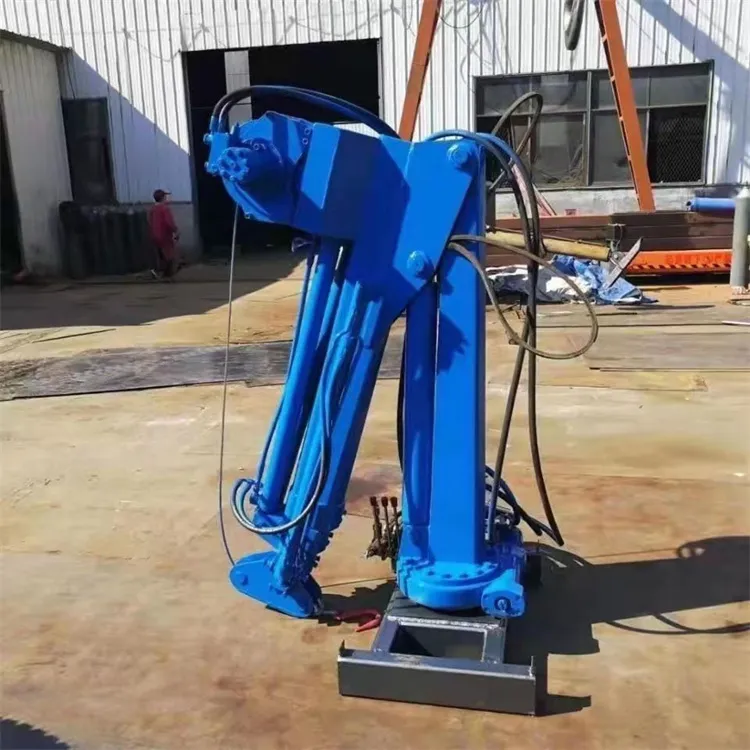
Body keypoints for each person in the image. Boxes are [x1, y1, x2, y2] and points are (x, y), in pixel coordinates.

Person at [148, 189, 179, 279]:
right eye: (165, 196)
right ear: (162, 198)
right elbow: (169, 222)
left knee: (159, 254)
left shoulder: (152, 209)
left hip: (154, 235)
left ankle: (157, 270)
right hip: (164, 235)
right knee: (169, 254)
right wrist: (175, 230)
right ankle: (166, 273)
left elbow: (150, 221)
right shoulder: (165, 209)